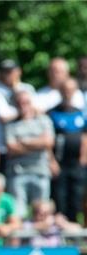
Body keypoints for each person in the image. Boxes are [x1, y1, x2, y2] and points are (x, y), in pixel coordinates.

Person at [3, 86, 55, 209]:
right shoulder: (11, 124)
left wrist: (23, 142)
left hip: (41, 170)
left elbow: (48, 142)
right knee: (19, 211)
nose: (23, 105)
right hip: (17, 172)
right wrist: (38, 144)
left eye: (26, 102)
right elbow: (11, 148)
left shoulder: (43, 120)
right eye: (19, 102)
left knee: (42, 211)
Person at [48, 78, 86, 222]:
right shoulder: (53, 113)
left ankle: (74, 231)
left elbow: (84, 136)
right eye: (65, 89)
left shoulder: (79, 113)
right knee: (60, 198)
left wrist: (84, 157)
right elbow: (49, 141)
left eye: (70, 90)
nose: (67, 93)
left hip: (76, 164)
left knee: (76, 199)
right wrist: (51, 160)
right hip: (60, 164)